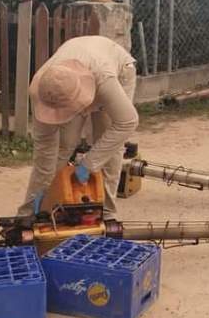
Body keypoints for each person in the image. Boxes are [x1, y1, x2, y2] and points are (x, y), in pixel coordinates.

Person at [20, 35, 138, 220]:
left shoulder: (103, 77)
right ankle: (42, 206)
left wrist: (88, 165)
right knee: (65, 145)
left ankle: (106, 213)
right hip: (76, 71)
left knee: (107, 142)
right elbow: (44, 153)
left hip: (116, 70)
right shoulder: (44, 90)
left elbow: (127, 122)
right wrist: (34, 202)